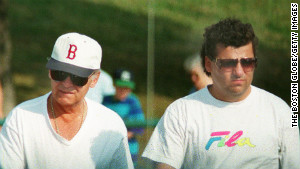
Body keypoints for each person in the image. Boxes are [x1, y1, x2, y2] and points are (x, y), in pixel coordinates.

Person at [142, 18, 300, 169]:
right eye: (228, 63)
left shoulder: (281, 111)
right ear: (208, 65)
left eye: (247, 62)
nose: (239, 72)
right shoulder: (180, 112)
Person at [0, 32, 134, 169]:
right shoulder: (20, 118)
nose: (66, 83)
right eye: (59, 73)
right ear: (50, 71)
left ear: (95, 79)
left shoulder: (111, 125)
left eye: (78, 77)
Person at [102, 69, 145, 167]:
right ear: (114, 85)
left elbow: (139, 127)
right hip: (107, 149)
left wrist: (118, 137)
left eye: (127, 87)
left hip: (128, 149)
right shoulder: (106, 100)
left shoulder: (133, 101)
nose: (123, 90)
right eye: (120, 86)